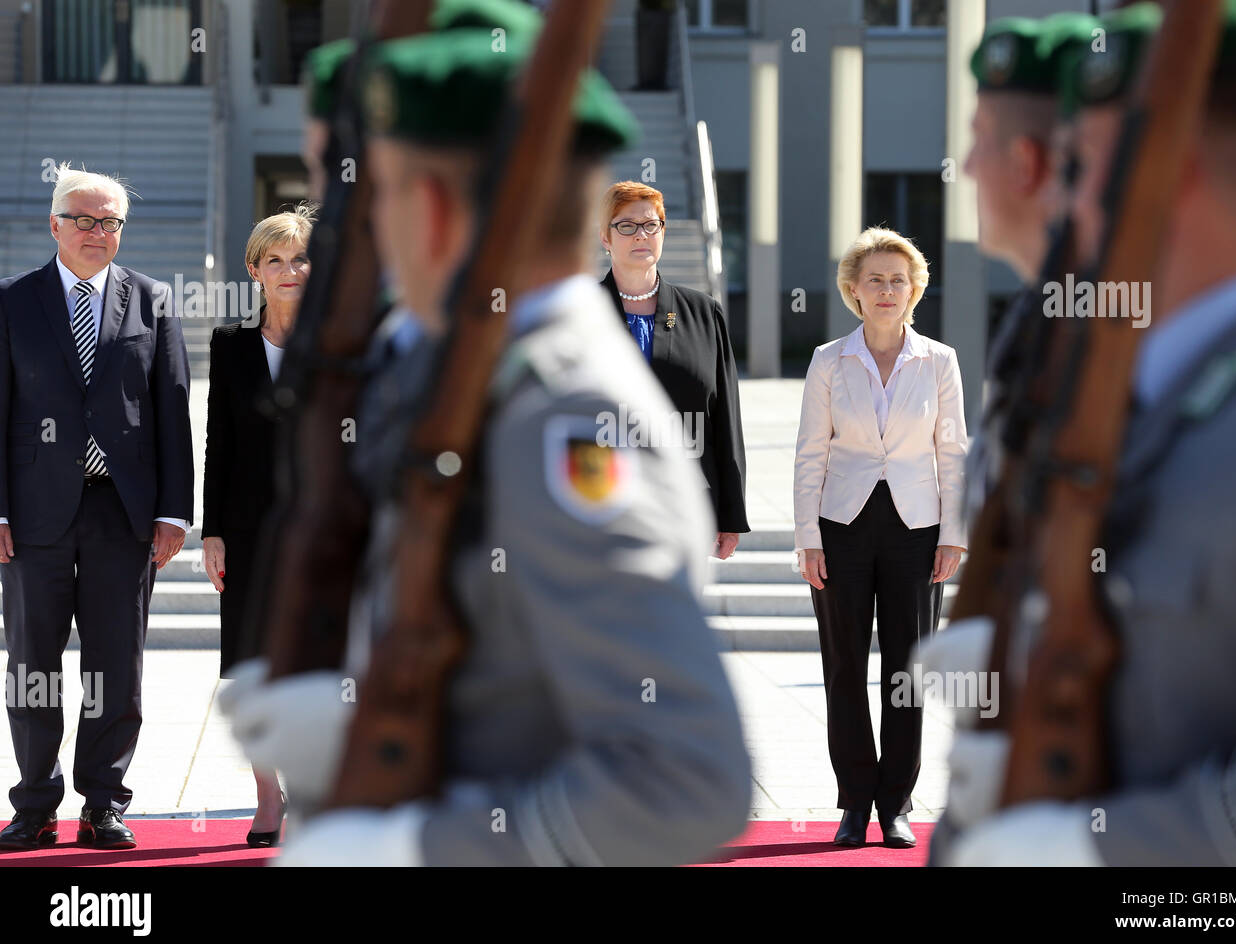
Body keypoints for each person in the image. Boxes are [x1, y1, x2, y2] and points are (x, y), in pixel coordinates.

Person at [221, 0, 753, 867]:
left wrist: (421, 847)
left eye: (375, 196)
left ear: (428, 208)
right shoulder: (472, 368)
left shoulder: (563, 413)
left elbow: (684, 780)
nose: (360, 230)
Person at [922, 0, 1236, 866]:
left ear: (1174, 173)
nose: (1069, 200)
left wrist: (1104, 851)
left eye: (1083, 164)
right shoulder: (1161, 394)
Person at [0, 164, 193, 852]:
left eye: (109, 221)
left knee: (116, 666)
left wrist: (175, 511)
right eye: (82, 218)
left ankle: (104, 803)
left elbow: (172, 411)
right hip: (31, 519)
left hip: (123, 515)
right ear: (54, 224)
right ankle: (34, 804)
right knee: (31, 665)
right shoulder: (13, 302)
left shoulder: (153, 301)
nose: (96, 231)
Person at [794, 227, 968, 849]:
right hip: (842, 527)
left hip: (918, 530)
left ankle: (894, 803)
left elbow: (953, 451)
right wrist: (807, 537)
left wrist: (955, 534)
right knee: (844, 668)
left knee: (908, 671)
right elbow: (811, 452)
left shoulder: (940, 361)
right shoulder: (827, 361)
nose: (888, 290)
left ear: (916, 289)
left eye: (899, 280)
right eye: (876, 280)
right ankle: (853, 803)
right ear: (854, 291)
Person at [201, 205, 316, 846]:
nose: (290, 269)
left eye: (300, 258)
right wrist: (212, 529)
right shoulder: (230, 347)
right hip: (248, 532)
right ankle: (268, 797)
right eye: (275, 259)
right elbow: (219, 443)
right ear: (255, 271)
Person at [960, 12, 1099, 518]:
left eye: (978, 137)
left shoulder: (1105, 323)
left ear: (1025, 163)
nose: (968, 166)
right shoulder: (1042, 314)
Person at [598, 181, 749, 557]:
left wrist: (730, 514)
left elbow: (725, 416)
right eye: (627, 226)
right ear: (605, 237)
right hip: (601, 499)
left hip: (684, 499)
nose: (641, 235)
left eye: (651, 224)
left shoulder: (703, 312)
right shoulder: (581, 312)